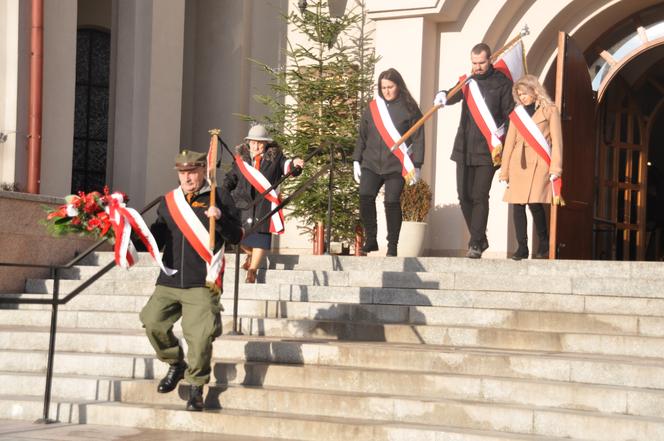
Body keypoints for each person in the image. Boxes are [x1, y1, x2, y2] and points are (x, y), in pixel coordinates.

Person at [139, 149, 244, 411]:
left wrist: (219, 220)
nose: (187, 178)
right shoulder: (169, 202)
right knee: (152, 322)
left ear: (202, 172)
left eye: (192, 172)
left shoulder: (218, 196)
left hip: (201, 279)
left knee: (199, 337)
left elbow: (237, 236)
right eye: (182, 173)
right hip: (170, 278)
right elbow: (157, 238)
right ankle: (176, 363)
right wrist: (127, 232)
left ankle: (196, 387)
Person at [435, 43, 514, 258]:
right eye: (474, 63)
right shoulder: (468, 81)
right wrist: (443, 95)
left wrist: (504, 139)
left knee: (480, 196)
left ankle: (475, 244)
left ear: (490, 60)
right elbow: (452, 94)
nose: (477, 67)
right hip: (464, 147)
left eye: (481, 63)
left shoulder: (502, 83)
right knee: (464, 196)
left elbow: (510, 114)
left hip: (488, 149)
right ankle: (480, 237)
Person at [353, 68, 424, 256]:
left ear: (398, 86)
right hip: (371, 162)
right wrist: (355, 159)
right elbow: (362, 136)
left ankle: (392, 246)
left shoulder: (410, 108)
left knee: (391, 202)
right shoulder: (373, 108)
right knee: (365, 196)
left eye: (390, 87)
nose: (386, 91)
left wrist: (417, 165)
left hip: (396, 165)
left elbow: (418, 138)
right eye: (383, 87)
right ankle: (371, 239)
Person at [222, 124, 304, 283]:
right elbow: (231, 177)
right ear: (248, 142)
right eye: (253, 142)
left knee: (260, 238)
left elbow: (287, 166)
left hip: (264, 204)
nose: (256, 146)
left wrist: (295, 164)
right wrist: (223, 192)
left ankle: (252, 271)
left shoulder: (276, 157)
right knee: (238, 238)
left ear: (266, 143)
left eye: (260, 142)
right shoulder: (241, 160)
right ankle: (251, 254)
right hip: (242, 204)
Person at [499, 74, 562, 260]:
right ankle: (522, 247)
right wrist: (505, 171)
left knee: (535, 203)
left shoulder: (550, 110)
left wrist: (556, 169)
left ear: (535, 91)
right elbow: (509, 143)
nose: (522, 97)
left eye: (525, 93)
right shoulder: (516, 114)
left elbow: (557, 142)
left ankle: (543, 241)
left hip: (540, 162)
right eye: (519, 94)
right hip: (519, 163)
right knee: (517, 206)